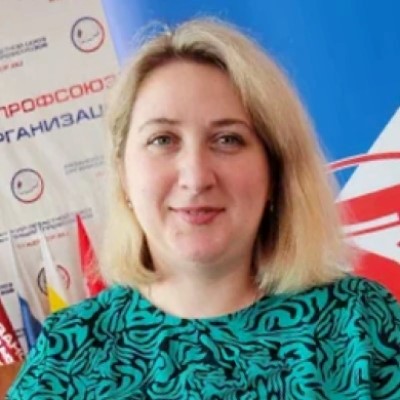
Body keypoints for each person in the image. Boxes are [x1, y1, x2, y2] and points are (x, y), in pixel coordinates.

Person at [7, 18, 400, 400]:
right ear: (123, 172)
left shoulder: (360, 326)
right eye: (163, 140)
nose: (195, 177)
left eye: (228, 139)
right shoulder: (68, 353)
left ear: (276, 170)